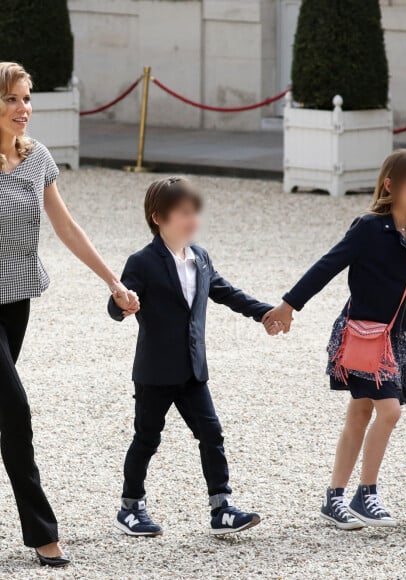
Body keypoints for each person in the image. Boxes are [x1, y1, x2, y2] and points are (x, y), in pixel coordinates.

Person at [264, 150, 406, 529]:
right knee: (389, 411)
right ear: (391, 184)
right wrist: (289, 305)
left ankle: (333, 499)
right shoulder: (369, 228)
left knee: (360, 413)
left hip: (394, 339)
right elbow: (327, 265)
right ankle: (365, 494)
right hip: (359, 335)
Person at [0, 62, 138, 567]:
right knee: (15, 414)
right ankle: (42, 533)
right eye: (11, 99)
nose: (23, 109)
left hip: (15, 303)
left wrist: (114, 281)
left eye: (26, 98)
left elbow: (68, 228)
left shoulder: (38, 160)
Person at [108, 176, 281, 537]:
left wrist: (265, 312)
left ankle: (222, 509)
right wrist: (120, 304)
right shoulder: (142, 261)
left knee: (212, 433)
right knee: (147, 438)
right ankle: (131, 507)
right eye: (184, 213)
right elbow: (119, 303)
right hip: (155, 372)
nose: (193, 220)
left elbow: (225, 291)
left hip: (192, 370)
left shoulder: (200, 257)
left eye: (195, 212)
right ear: (159, 217)